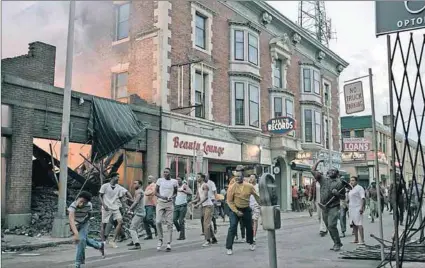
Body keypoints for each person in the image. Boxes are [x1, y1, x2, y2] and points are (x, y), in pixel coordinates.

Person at [225, 165, 261, 255]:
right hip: (235, 209)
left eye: (239, 176)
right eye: (236, 176)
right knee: (233, 226)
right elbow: (229, 201)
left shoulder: (249, 186)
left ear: (243, 176)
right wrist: (236, 211)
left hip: (245, 208)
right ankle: (229, 247)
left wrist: (262, 205)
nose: (237, 178)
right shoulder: (232, 186)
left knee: (249, 227)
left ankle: (251, 242)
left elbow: (257, 197)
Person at [311, 160, 345, 251]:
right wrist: (318, 162)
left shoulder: (340, 183)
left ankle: (337, 243)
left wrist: (337, 194)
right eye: (330, 170)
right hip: (324, 206)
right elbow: (313, 171)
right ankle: (336, 242)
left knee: (331, 225)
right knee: (328, 225)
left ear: (337, 173)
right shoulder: (323, 179)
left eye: (333, 171)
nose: (331, 172)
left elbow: (343, 197)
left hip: (334, 206)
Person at [68, 191, 105, 268]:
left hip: (84, 223)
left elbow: (90, 214)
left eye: (84, 202)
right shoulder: (73, 206)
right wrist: (76, 233)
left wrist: (86, 220)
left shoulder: (89, 205)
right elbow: (71, 220)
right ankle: (99, 245)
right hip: (75, 224)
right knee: (83, 239)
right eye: (81, 201)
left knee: (81, 240)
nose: (81, 204)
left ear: (87, 202)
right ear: (78, 198)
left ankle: (78, 263)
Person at [99, 172, 132, 248]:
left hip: (115, 207)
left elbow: (121, 197)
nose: (118, 178)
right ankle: (103, 241)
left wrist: (126, 206)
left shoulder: (118, 187)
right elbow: (100, 196)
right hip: (106, 207)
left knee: (120, 222)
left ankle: (113, 240)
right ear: (112, 177)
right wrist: (104, 205)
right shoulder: (105, 186)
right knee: (104, 224)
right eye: (117, 177)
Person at [155, 167, 178, 251]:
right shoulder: (160, 180)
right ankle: (160, 239)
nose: (165, 173)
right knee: (158, 221)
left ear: (170, 173)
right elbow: (156, 192)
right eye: (164, 172)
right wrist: (162, 197)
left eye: (167, 172)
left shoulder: (174, 182)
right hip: (160, 203)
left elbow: (176, 193)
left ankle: (168, 243)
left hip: (169, 204)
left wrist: (171, 197)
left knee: (170, 223)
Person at [193, 173, 217, 247]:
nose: (197, 178)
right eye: (197, 177)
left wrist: (198, 204)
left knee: (206, 224)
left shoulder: (205, 185)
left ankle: (207, 240)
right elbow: (198, 197)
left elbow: (206, 197)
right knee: (207, 224)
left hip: (209, 206)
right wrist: (192, 201)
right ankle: (213, 238)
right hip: (204, 206)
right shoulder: (199, 186)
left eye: (198, 177)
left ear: (202, 178)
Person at [126, 180, 145, 250]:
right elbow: (136, 201)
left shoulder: (139, 191)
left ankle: (137, 244)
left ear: (139, 185)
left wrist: (130, 209)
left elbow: (136, 202)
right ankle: (133, 241)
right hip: (138, 212)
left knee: (132, 228)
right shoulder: (138, 191)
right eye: (133, 183)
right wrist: (129, 200)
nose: (134, 185)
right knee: (135, 228)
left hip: (139, 213)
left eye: (135, 183)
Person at [348, 176, 366, 245]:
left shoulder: (359, 188)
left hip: (357, 208)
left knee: (359, 224)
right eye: (350, 180)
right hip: (351, 208)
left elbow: (363, 198)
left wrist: (361, 208)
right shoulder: (351, 189)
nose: (351, 182)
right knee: (354, 224)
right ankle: (356, 239)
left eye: (353, 180)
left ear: (356, 181)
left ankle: (362, 240)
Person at [143, 175, 157, 240]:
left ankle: (155, 227)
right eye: (148, 178)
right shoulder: (148, 186)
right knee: (144, 220)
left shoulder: (154, 185)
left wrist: (144, 193)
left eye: (150, 178)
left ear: (153, 179)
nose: (149, 179)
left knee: (149, 219)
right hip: (145, 204)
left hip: (151, 204)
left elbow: (151, 192)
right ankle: (149, 235)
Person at [248, 174, 261, 241]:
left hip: (256, 205)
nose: (251, 178)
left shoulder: (259, 186)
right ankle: (251, 234)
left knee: (255, 220)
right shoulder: (248, 186)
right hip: (249, 205)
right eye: (250, 177)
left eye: (252, 177)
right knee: (250, 222)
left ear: (256, 179)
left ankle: (254, 236)